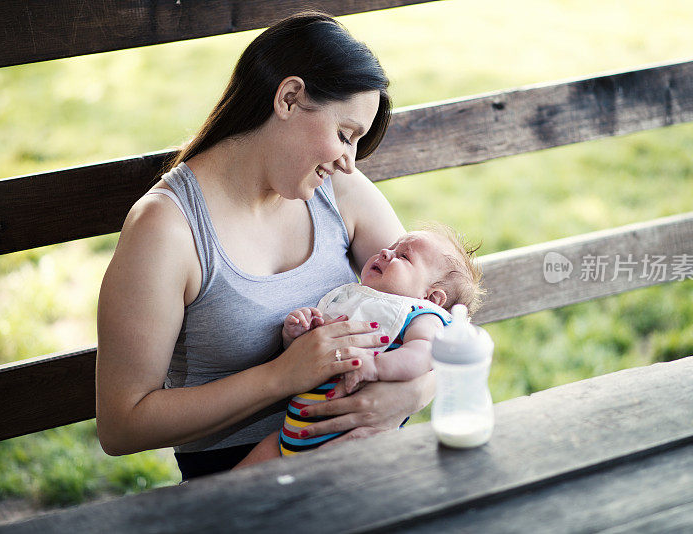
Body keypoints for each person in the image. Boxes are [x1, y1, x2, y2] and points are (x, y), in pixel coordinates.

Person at [96, 12, 435, 481]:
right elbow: (121, 424)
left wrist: (413, 393)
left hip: (361, 468)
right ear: (289, 98)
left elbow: (442, 311)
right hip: (242, 490)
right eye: (344, 134)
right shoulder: (168, 231)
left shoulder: (341, 194)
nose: (349, 162)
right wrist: (282, 376)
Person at [233, 225, 483, 465]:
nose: (386, 252)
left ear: (431, 297)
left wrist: (376, 366)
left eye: (403, 257)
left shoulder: (420, 314)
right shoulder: (352, 297)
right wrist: (298, 333)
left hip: (350, 444)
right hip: (289, 435)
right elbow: (306, 356)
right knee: (231, 492)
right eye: (390, 247)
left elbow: (425, 353)